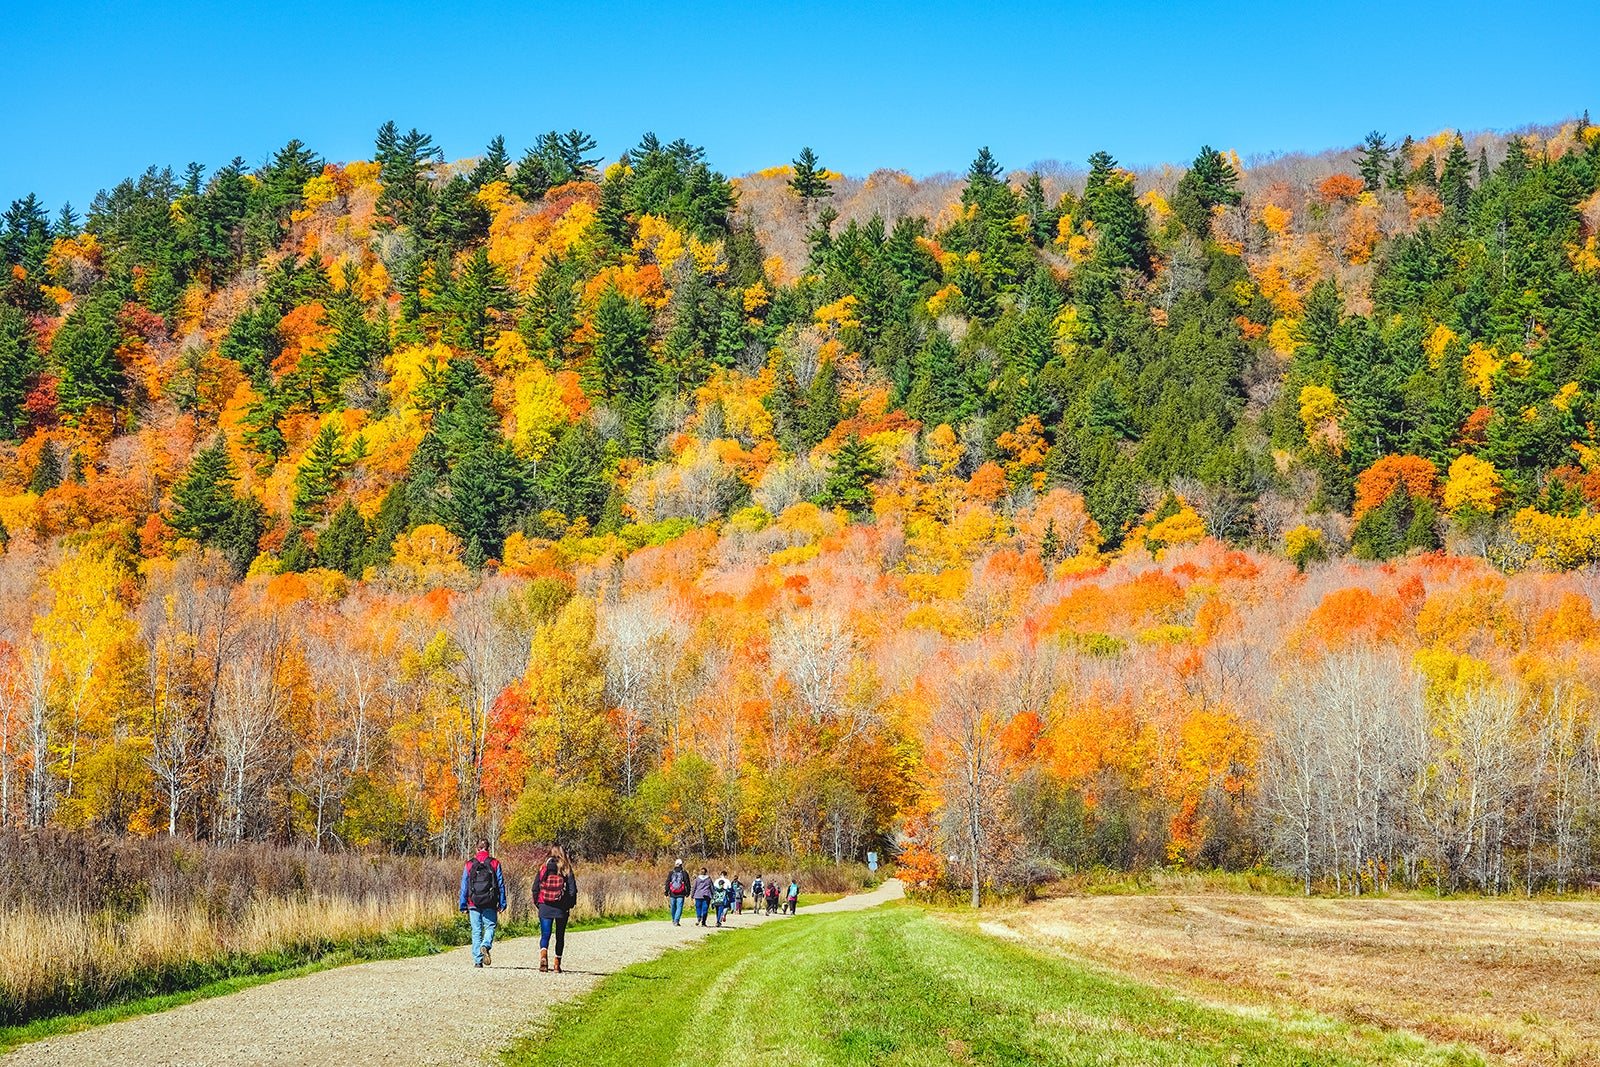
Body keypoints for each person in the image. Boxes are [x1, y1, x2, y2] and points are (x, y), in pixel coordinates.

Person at [458, 839, 507, 968]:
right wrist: (502, 903)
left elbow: (464, 886)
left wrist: (463, 905)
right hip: (490, 901)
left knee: (476, 931)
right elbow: (500, 885)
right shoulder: (495, 863)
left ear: (477, 849)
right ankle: (485, 945)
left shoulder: (469, 864)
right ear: (488, 849)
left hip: (473, 902)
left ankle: (478, 961)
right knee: (490, 926)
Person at [534, 846, 577, 973]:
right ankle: (557, 965)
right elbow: (572, 890)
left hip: (545, 905)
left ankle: (543, 956)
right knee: (560, 936)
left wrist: (539, 903)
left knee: (545, 934)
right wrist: (569, 904)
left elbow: (535, 888)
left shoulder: (543, 868)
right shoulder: (566, 868)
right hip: (561, 908)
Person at [664, 858, 691, 926]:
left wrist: (666, 891)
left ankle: (673, 919)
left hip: (672, 893)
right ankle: (676, 920)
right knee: (679, 907)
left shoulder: (671, 873)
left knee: (673, 907)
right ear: (681, 865)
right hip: (681, 893)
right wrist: (688, 892)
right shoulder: (684, 873)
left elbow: (667, 882)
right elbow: (687, 883)